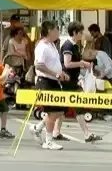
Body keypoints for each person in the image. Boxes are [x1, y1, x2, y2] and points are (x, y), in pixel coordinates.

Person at [53, 21, 101, 143]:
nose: (82, 34)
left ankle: (55, 131)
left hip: (71, 80)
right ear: (74, 32)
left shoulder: (74, 46)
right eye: (80, 32)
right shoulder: (68, 46)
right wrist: (82, 63)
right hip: (67, 81)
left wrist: (83, 66)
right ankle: (87, 134)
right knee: (76, 106)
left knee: (62, 109)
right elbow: (67, 64)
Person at [29, 20, 69, 150]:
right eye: (56, 30)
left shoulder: (52, 45)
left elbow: (54, 63)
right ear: (50, 31)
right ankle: (49, 141)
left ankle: (37, 127)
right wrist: (55, 74)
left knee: (59, 111)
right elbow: (39, 64)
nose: (58, 32)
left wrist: (62, 73)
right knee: (52, 112)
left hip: (54, 81)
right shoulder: (42, 46)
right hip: (45, 81)